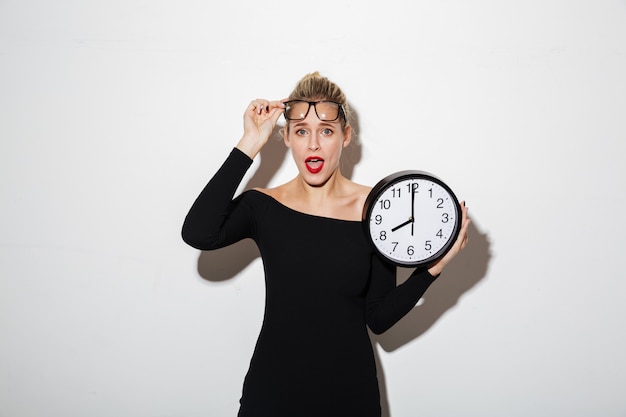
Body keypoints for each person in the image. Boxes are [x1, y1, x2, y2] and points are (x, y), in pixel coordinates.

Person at [182, 72, 470, 417]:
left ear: (345, 136)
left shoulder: (376, 210)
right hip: (273, 393)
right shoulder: (263, 206)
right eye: (301, 130)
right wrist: (250, 142)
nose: (313, 144)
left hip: (349, 395)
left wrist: (431, 271)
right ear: (286, 137)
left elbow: (377, 317)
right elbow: (199, 233)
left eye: (327, 131)